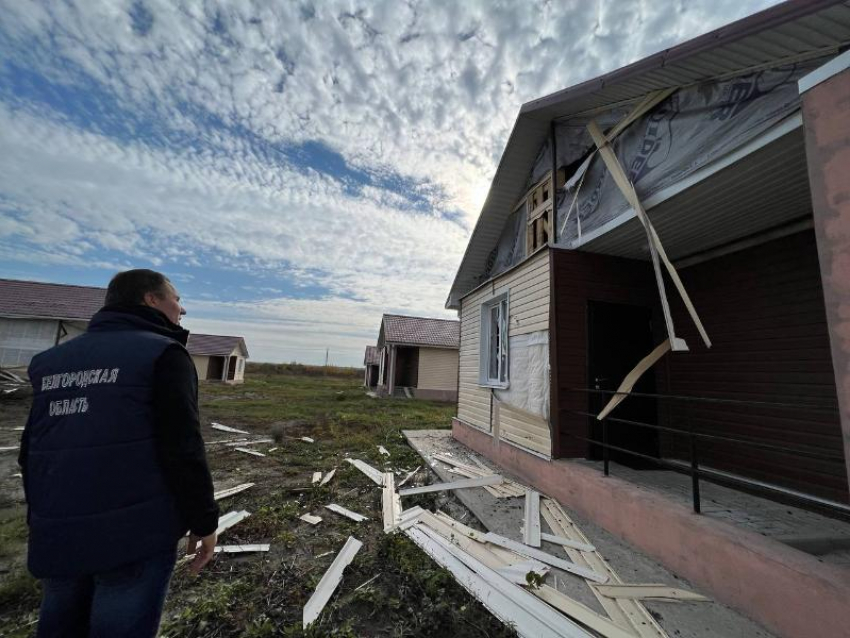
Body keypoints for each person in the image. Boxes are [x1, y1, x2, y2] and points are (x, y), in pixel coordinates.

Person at [18, 269, 219, 638]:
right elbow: (182, 447)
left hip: (57, 527)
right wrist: (204, 519)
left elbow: (31, 448)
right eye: (175, 298)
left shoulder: (51, 362)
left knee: (59, 623)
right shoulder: (163, 354)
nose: (182, 309)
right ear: (151, 300)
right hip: (133, 535)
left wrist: (41, 516)